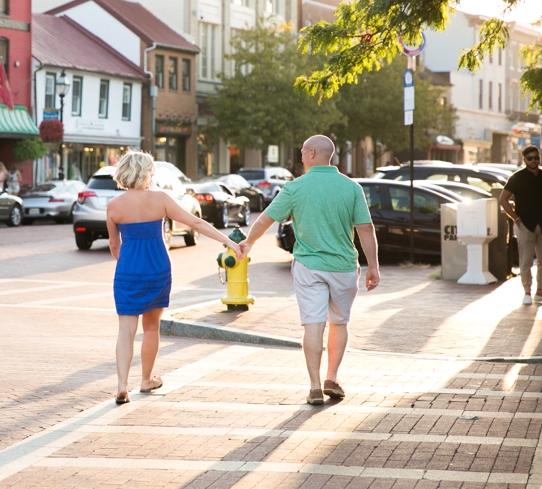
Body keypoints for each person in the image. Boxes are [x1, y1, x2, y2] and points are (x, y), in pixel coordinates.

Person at [239, 135, 380, 405]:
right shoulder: (351, 187)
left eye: (303, 152)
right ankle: (331, 377)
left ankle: (315, 387)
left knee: (313, 325)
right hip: (344, 268)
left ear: (313, 153)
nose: (301, 156)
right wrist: (373, 266)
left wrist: (248, 243)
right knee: (339, 322)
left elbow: (265, 220)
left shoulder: (296, 188)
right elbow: (366, 229)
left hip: (309, 267)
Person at [106, 151, 244, 405]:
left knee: (125, 330)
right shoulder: (160, 199)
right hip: (157, 269)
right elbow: (196, 223)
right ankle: (146, 379)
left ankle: (122, 384)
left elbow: (115, 245)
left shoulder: (114, 206)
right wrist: (229, 242)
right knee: (151, 328)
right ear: (145, 173)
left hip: (127, 271)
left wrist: (126, 266)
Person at [500, 145, 542, 305]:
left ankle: (540, 291)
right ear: (524, 160)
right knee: (525, 260)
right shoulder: (517, 177)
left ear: (540, 158)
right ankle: (527, 292)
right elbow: (502, 199)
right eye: (530, 158)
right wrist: (515, 218)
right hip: (524, 224)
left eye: (536, 158)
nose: (533, 161)